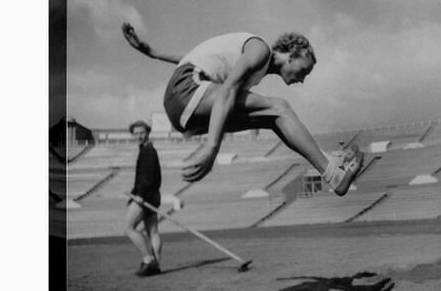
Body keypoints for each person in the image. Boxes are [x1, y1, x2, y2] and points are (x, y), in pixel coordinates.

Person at [122, 24, 364, 195]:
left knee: (272, 117)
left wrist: (152, 53)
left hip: (182, 106)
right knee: (280, 108)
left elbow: (192, 58)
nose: (302, 79)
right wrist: (211, 147)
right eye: (304, 70)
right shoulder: (259, 50)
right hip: (187, 91)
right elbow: (226, 90)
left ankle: (329, 161)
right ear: (294, 54)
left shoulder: (252, 64)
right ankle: (333, 174)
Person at [125, 120, 163, 277]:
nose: (139, 136)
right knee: (153, 231)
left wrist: (139, 195)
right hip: (152, 196)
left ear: (147, 132)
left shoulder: (148, 151)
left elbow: (146, 178)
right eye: (136, 133)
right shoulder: (148, 149)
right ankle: (157, 264)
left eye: (142, 132)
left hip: (144, 196)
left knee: (129, 228)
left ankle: (148, 259)